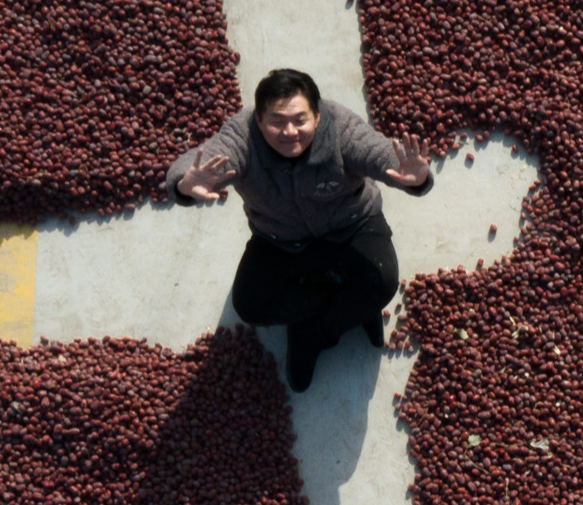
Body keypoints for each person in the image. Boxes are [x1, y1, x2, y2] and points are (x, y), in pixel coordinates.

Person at [166, 69, 437, 391]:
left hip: (351, 225)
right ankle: (348, 308)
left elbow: (376, 151)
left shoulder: (340, 126)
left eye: (300, 120)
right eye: (277, 121)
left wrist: (413, 177)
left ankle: (314, 335)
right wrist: (185, 182)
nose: (289, 132)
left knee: (382, 283)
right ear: (259, 120)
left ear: (318, 114)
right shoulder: (242, 136)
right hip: (280, 239)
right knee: (251, 305)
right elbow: (206, 159)